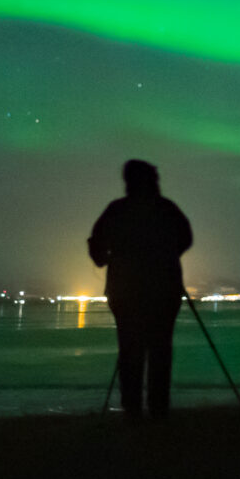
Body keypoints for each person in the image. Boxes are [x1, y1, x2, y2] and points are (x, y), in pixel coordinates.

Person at [88, 159, 193, 421]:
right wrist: (168, 256)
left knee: (130, 349)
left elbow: (96, 244)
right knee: (160, 349)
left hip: (125, 291)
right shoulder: (166, 208)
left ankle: (132, 409)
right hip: (164, 289)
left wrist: (107, 258)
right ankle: (158, 408)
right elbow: (186, 238)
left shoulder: (117, 210)